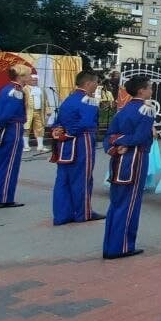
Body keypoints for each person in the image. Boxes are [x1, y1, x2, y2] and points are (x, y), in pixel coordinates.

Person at [102, 76, 156, 259]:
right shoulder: (146, 110)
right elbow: (140, 137)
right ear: (141, 91)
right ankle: (122, 246)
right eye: (149, 88)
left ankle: (110, 245)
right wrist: (124, 141)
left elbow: (109, 136)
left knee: (117, 202)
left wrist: (116, 144)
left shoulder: (122, 110)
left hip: (119, 158)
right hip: (136, 158)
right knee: (130, 203)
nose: (151, 90)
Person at [49, 69, 103, 224]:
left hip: (65, 144)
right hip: (82, 141)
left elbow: (58, 121)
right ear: (88, 83)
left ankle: (61, 215)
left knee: (63, 180)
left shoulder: (69, 99)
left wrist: (61, 131)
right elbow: (87, 123)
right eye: (96, 82)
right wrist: (71, 132)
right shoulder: (88, 100)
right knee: (82, 179)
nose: (97, 85)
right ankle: (83, 213)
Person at [0, 65, 31, 210]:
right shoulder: (17, 91)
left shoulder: (5, 89)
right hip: (12, 129)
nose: (29, 77)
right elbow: (8, 114)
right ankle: (3, 198)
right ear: (20, 77)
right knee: (9, 165)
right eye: (27, 75)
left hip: (4, 128)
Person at [23, 71, 47, 159]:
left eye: (36, 80)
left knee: (40, 128)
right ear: (29, 81)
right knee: (26, 128)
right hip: (28, 111)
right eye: (33, 80)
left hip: (39, 111)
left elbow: (45, 100)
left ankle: (40, 145)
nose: (35, 82)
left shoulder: (41, 89)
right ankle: (26, 146)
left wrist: (48, 110)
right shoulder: (25, 89)